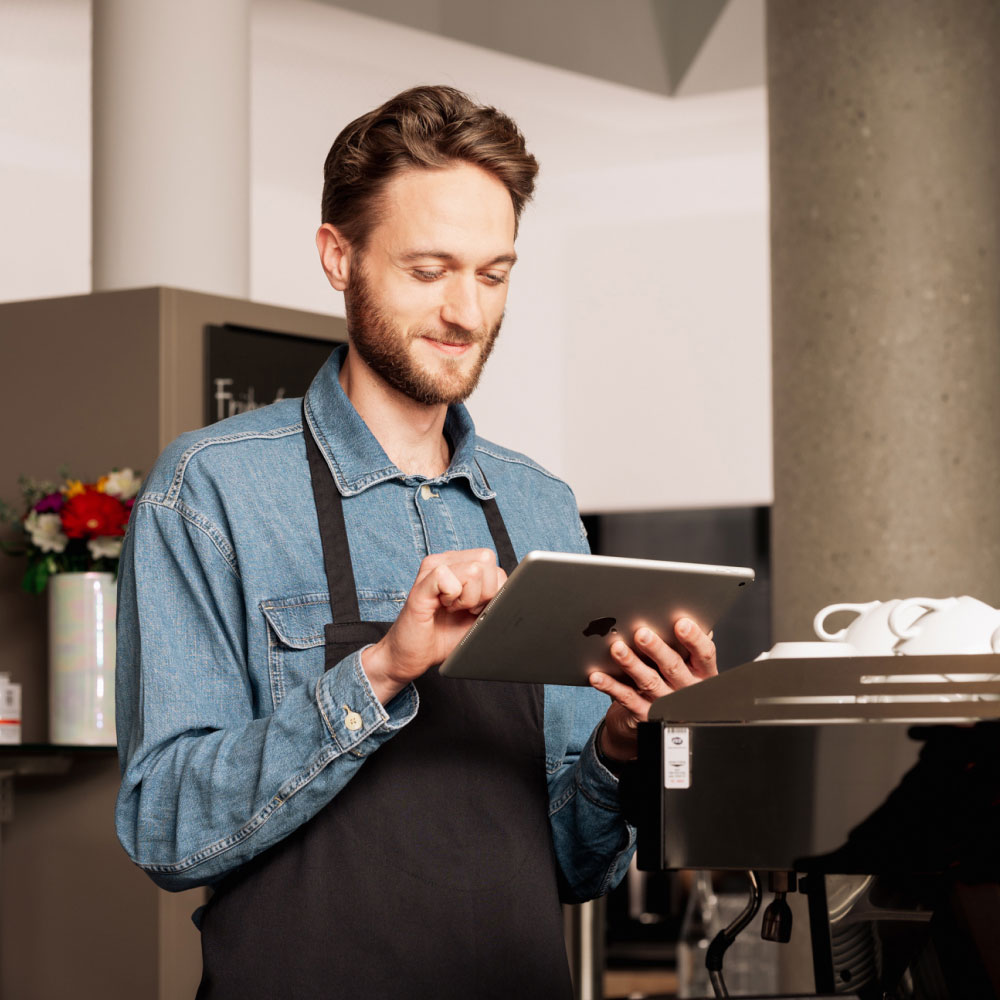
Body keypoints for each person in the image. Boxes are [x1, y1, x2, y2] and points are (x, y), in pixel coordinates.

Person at [115, 85, 717, 999]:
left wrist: (625, 745)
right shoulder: (212, 489)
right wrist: (381, 672)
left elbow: (576, 863)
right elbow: (164, 826)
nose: (466, 313)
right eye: (429, 270)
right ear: (337, 256)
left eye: (493, 272)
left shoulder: (540, 506)